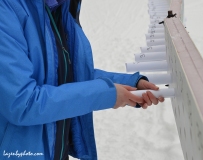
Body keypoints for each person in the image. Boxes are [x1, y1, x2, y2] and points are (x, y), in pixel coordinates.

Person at [0, 0, 164, 160]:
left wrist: (131, 84)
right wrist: (107, 94)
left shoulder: (59, 9)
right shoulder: (6, 9)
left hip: (54, 150)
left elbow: (68, 74)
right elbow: (22, 103)